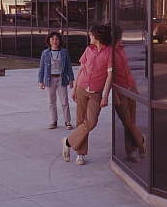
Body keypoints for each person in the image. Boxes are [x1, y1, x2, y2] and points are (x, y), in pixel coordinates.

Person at [62, 22, 112, 165]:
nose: (89, 37)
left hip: (96, 92)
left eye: (91, 35)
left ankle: (67, 142)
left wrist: (105, 96)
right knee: (80, 121)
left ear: (98, 36)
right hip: (81, 88)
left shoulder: (109, 52)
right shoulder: (88, 50)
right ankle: (81, 154)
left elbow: (110, 76)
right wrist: (74, 89)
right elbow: (81, 69)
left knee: (91, 122)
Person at [112, 25, 146, 162]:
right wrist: (115, 95)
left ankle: (131, 151)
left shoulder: (121, 50)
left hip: (131, 86)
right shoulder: (109, 53)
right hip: (119, 89)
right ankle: (140, 141)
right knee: (127, 121)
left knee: (132, 120)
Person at [38, 31, 74, 129]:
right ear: (49, 41)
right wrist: (41, 81)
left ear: (60, 41)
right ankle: (53, 121)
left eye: (57, 39)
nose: (55, 41)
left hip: (61, 79)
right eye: (52, 39)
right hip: (50, 79)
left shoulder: (64, 53)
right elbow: (41, 68)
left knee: (64, 101)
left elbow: (68, 66)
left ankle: (67, 121)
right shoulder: (45, 53)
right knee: (51, 101)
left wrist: (71, 79)